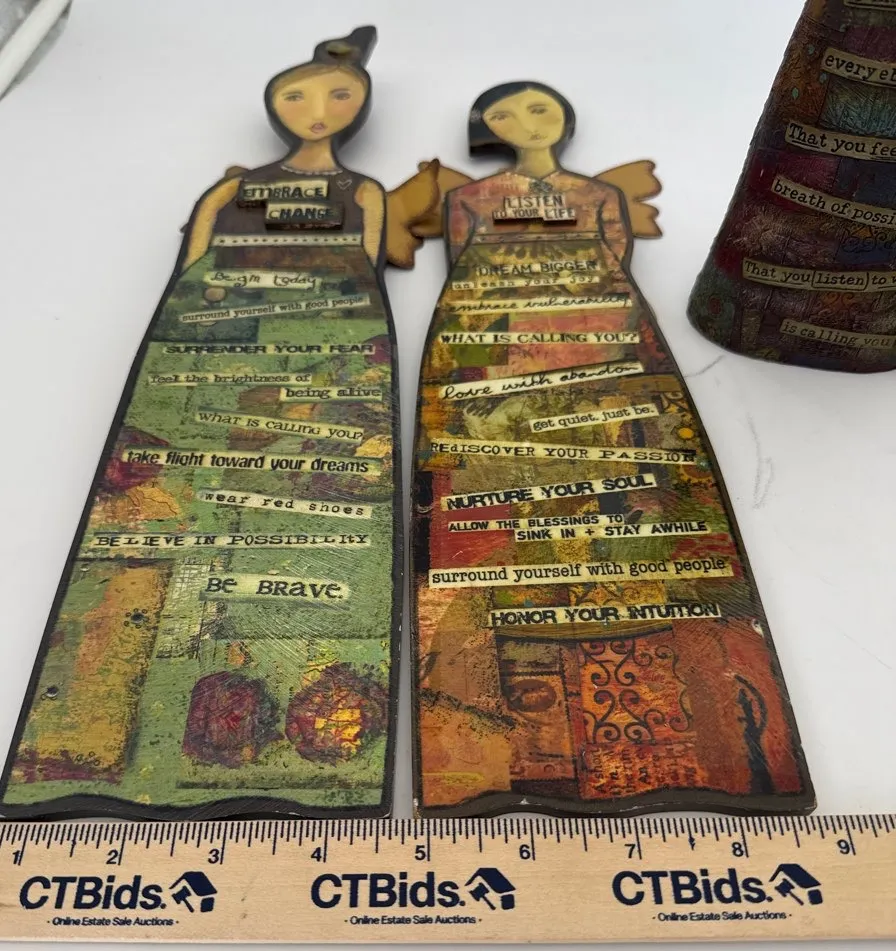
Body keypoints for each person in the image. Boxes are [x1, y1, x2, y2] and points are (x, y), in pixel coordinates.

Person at [1, 27, 402, 819]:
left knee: (287, 528)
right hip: (207, 352)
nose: (317, 109)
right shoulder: (230, 190)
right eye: (296, 95)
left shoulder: (363, 192)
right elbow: (190, 268)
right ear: (276, 106)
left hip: (324, 355)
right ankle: (85, 752)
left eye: (337, 95)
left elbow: (366, 271)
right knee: (159, 537)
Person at [413, 82, 815, 817]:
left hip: (606, 365)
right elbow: (468, 284)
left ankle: (700, 745)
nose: (525, 122)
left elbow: (615, 272)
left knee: (642, 525)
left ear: (563, 119)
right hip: (501, 380)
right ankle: (512, 755)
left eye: (538, 108)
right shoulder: (472, 197)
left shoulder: (598, 196)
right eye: (505, 114)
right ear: (487, 128)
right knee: (506, 538)